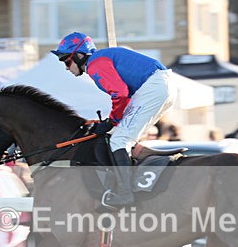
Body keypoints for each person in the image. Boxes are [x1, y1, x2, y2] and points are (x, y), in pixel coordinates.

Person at [51, 31, 176, 209]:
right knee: (123, 135)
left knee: (119, 139)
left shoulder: (94, 64)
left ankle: (125, 193)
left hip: (155, 86)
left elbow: (120, 93)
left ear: (79, 55)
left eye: (66, 60)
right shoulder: (100, 59)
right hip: (163, 85)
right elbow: (125, 95)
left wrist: (111, 121)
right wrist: (114, 122)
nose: (66, 67)